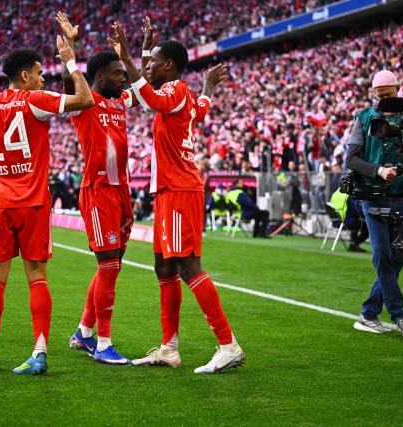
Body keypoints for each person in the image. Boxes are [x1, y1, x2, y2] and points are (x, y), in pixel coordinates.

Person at [110, 23, 245, 373]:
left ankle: (228, 344)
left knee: (187, 267)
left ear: (168, 66)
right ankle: (169, 348)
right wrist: (208, 87)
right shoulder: (182, 94)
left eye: (152, 62)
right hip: (169, 190)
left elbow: (150, 97)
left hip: (180, 189)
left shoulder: (174, 89)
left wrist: (126, 55)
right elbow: (199, 109)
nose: (147, 68)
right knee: (163, 266)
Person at [0, 40, 94, 375]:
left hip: (1, 205)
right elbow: (85, 99)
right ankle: (40, 352)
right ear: (24, 75)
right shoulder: (33, 101)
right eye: (38, 73)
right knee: (37, 279)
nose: (42, 79)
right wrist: (72, 62)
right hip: (33, 204)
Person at [56, 11, 150, 365]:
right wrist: (71, 51)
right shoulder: (86, 102)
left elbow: (143, 94)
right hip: (97, 191)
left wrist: (128, 56)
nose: (124, 79)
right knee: (108, 265)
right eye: (117, 74)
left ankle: (83, 333)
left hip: (121, 191)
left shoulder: (118, 101)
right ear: (99, 76)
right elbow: (70, 88)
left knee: (112, 266)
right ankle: (104, 343)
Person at [345, 70, 403, 339]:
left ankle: (368, 313)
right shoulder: (363, 117)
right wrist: (378, 171)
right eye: (378, 95)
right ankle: (400, 316)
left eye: (388, 94)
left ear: (398, 89)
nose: (383, 99)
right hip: (372, 195)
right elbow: (352, 159)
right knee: (382, 253)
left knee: (398, 256)